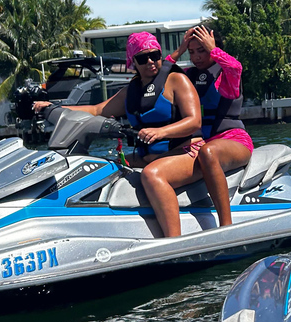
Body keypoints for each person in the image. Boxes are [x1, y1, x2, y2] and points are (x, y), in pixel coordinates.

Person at [32, 31, 204, 237]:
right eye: (143, 58)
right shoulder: (131, 90)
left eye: (155, 55)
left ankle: (174, 240)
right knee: (104, 167)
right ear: (133, 61)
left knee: (152, 175)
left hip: (184, 153)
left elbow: (195, 121)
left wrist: (161, 132)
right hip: (147, 157)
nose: (151, 61)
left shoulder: (176, 80)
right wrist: (53, 107)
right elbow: (97, 110)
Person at [165, 25, 254, 228]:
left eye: (201, 50)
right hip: (199, 145)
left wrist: (213, 49)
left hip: (233, 140)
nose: (196, 57)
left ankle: (226, 225)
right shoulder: (187, 76)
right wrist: (178, 52)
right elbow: (159, 77)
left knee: (209, 152)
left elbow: (235, 67)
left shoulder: (226, 74)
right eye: (192, 51)